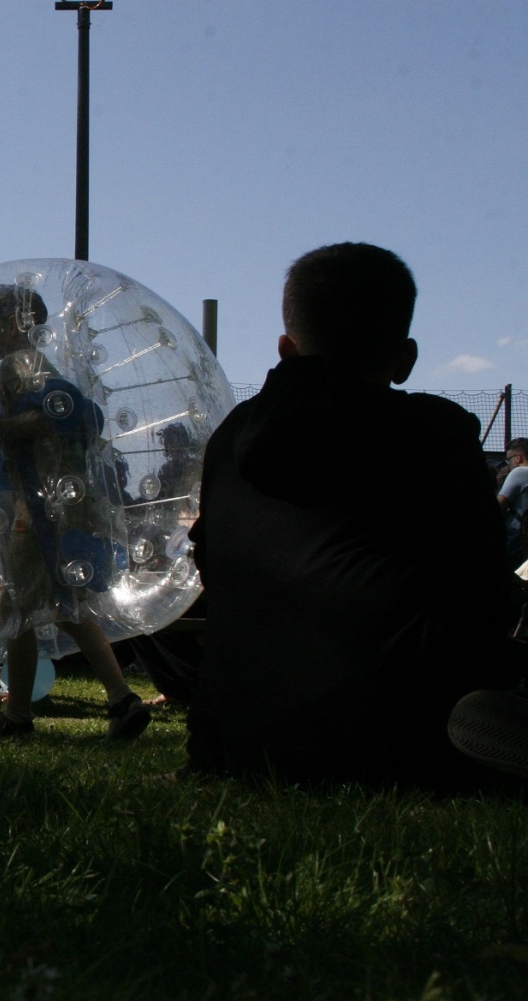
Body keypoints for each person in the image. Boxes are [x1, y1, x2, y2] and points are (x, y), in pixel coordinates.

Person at [184, 242, 528, 788]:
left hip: (253, 744)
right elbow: (480, 590)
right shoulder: (435, 433)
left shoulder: (228, 442)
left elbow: (222, 590)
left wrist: (207, 756)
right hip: (405, 739)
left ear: (284, 347)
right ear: (405, 357)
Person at [0, 285, 151, 740]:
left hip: (37, 506)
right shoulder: (30, 363)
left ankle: (18, 718)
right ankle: (121, 699)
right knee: (68, 603)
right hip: (54, 499)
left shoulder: (19, 362)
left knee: (18, 605)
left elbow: (61, 413)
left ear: (13, 323)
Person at [496, 437, 528, 570]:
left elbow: (498, 507)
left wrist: (498, 486)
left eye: (509, 460)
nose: (508, 464)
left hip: (515, 539)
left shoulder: (519, 472)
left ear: (518, 458)